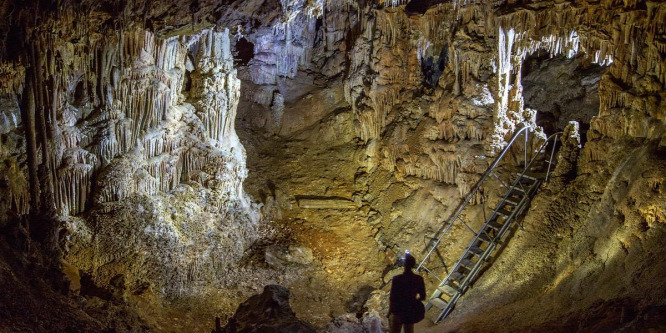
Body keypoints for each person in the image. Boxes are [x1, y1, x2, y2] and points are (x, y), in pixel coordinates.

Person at [388, 253, 426, 333]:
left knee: (395, 330)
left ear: (404, 265)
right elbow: (423, 296)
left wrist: (390, 311)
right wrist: (413, 303)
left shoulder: (397, 279)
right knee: (409, 330)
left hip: (398, 310)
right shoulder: (418, 279)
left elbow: (392, 297)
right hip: (409, 310)